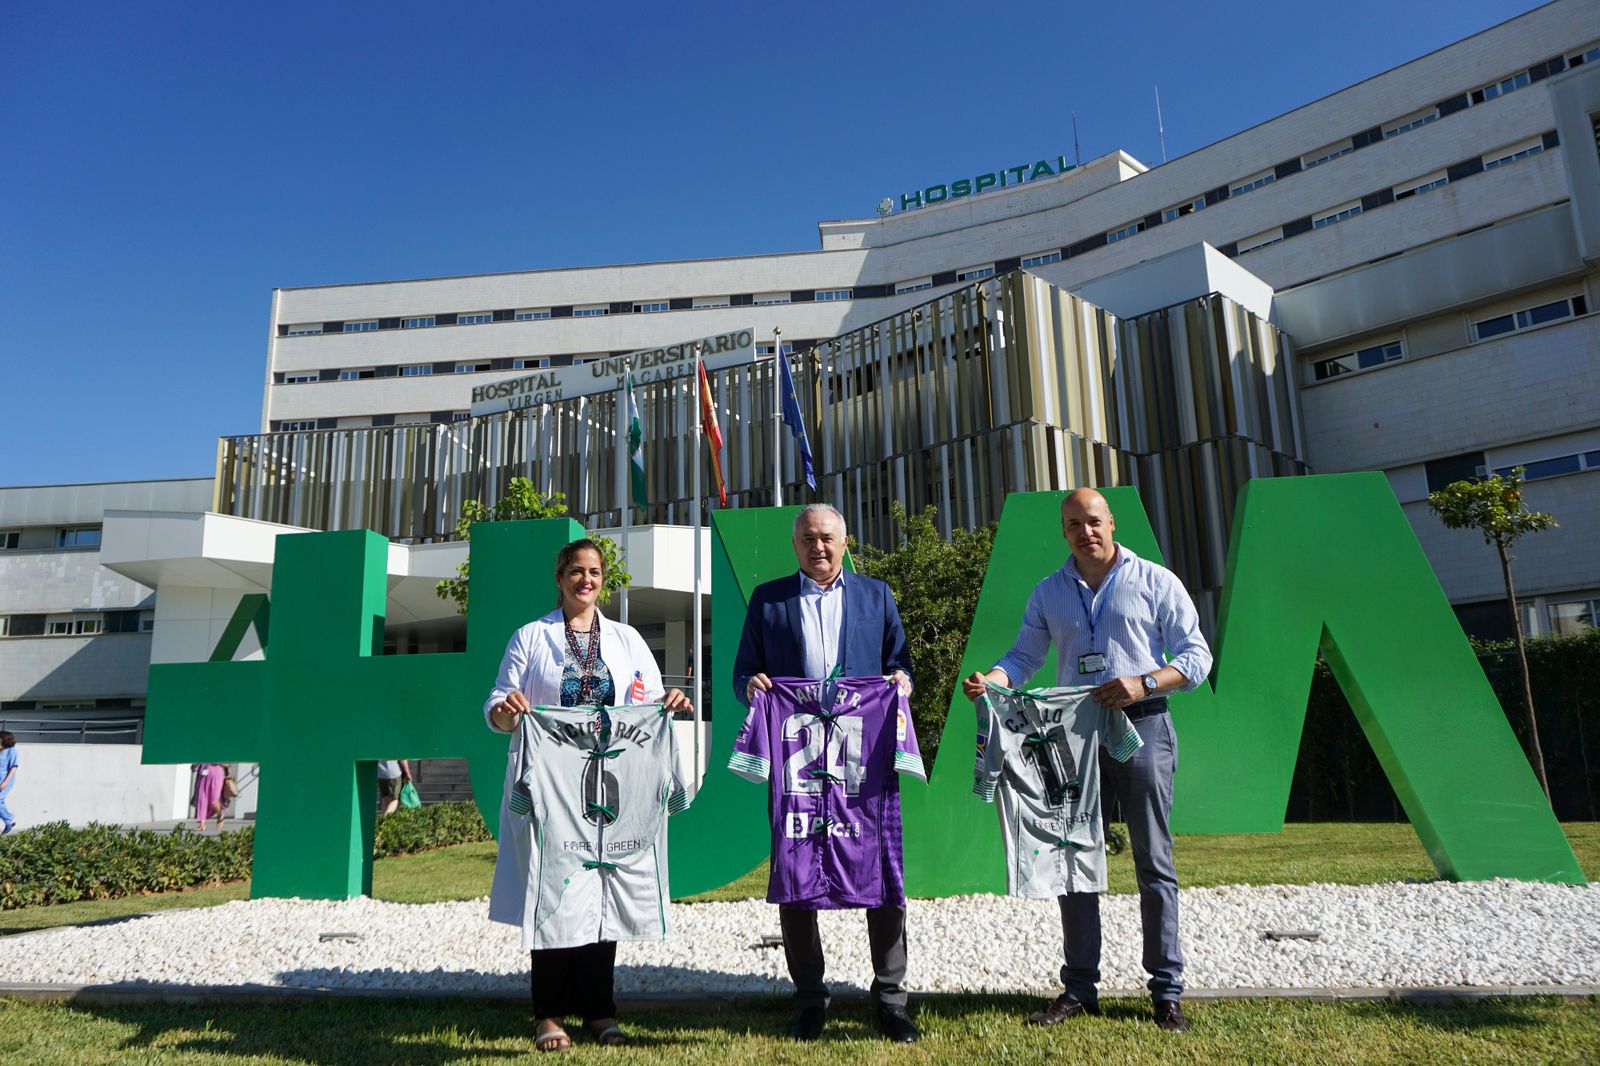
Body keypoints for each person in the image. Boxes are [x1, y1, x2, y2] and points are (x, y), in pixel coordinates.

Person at [963, 488, 1212, 1033]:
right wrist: (993, 683)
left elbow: (1196, 657)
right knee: (1071, 859)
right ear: (1065, 531)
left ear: (1111, 522)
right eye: (1074, 524)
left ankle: (1166, 992)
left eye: (1094, 521)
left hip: (1142, 725)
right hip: (1072, 739)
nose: (1086, 532)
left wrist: (1142, 681)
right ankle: (1079, 988)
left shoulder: (1155, 581)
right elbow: (1024, 655)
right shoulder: (1049, 591)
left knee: (1154, 861)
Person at [484, 538, 692, 1053]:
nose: (586, 580)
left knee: (603, 893)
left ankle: (600, 1011)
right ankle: (549, 1015)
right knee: (554, 892)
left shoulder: (625, 640)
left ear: (604, 580)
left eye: (595, 572)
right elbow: (496, 704)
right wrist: (506, 712)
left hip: (610, 790)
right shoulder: (532, 637)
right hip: (554, 790)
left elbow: (644, 702)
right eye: (576, 571)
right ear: (560, 578)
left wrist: (670, 703)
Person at [732, 503, 919, 1044]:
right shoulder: (769, 599)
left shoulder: (876, 595)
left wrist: (900, 683)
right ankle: (810, 999)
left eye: (828, 537)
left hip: (865, 757)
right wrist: (754, 688)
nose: (818, 546)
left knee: (881, 868)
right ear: (796, 545)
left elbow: (899, 660)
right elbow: (744, 670)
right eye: (809, 538)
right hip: (799, 757)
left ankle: (890, 998)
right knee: (796, 871)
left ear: (845, 542)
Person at [191, 762, 225, 831]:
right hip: (203, 776)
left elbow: (226, 764)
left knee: (214, 801)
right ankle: (202, 825)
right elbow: (194, 766)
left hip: (216, 775)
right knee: (202, 800)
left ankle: (219, 815)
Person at [0, 730, 18, 834]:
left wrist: (6, 782)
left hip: (6, 778)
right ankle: (8, 822)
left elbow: (14, 767)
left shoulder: (12, 751)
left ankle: (9, 819)